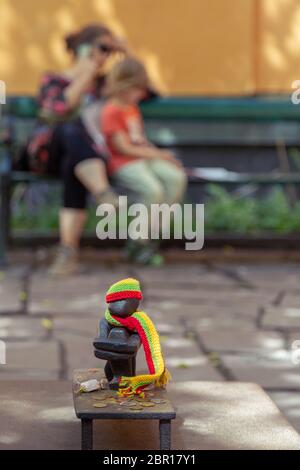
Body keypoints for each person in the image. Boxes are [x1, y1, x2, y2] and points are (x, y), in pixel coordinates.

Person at [26, 23, 126, 275]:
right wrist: (85, 73)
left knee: (75, 161)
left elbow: (147, 91)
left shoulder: (105, 84)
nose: (105, 56)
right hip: (46, 154)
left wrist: (127, 52)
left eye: (109, 51)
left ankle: (67, 252)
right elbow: (58, 109)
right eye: (102, 48)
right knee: (69, 129)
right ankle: (103, 193)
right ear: (83, 48)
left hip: (81, 160)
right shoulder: (53, 79)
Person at [101, 57, 187, 264]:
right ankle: (138, 242)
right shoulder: (111, 111)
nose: (141, 94)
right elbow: (123, 147)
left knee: (176, 178)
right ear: (123, 86)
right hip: (123, 162)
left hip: (143, 157)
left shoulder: (132, 107)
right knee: (152, 190)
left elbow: (140, 141)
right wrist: (160, 155)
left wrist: (163, 157)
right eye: (137, 89)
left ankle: (152, 232)